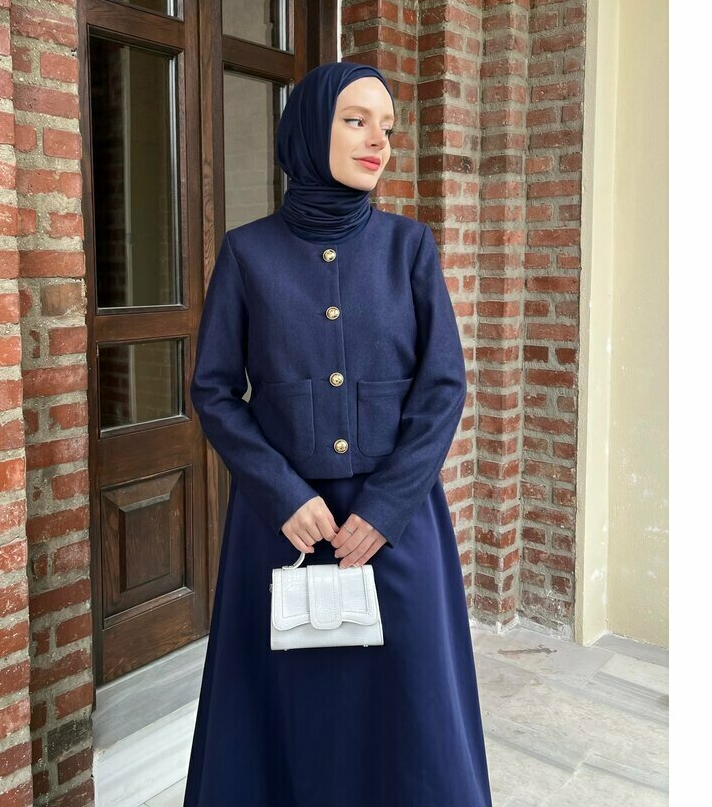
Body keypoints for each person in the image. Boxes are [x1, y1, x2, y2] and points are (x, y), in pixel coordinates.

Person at [182, 61, 494, 807]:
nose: (378, 140)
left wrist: (384, 510)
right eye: (356, 121)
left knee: (411, 716)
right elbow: (214, 390)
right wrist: (281, 494)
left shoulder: (409, 247)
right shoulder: (248, 253)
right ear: (308, 129)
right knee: (292, 717)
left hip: (396, 525)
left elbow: (443, 386)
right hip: (283, 527)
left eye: (387, 126)